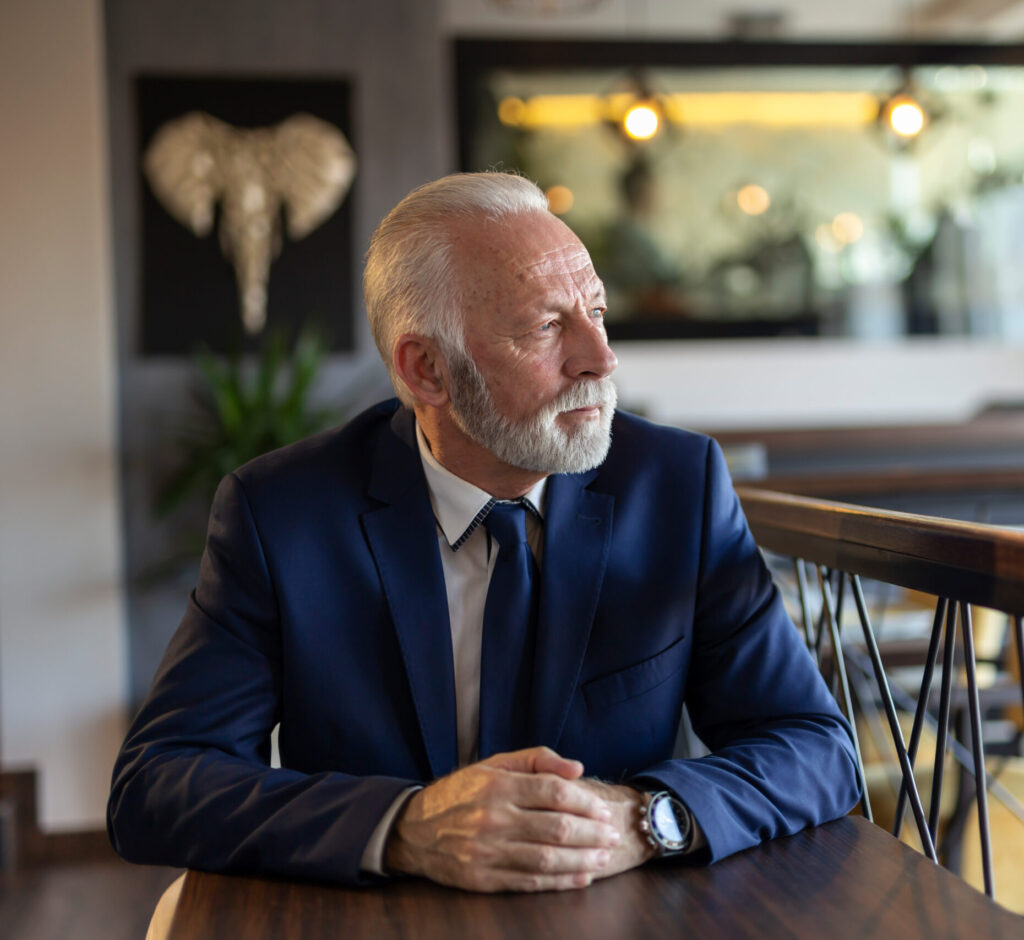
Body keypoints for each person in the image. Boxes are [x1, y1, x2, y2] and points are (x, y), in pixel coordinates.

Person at [108, 172, 859, 893]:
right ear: (427, 369)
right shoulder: (281, 514)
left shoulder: (676, 485)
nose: (601, 359)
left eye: (596, 312)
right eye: (545, 327)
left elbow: (818, 749)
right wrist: (403, 828)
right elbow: (158, 783)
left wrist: (644, 819)